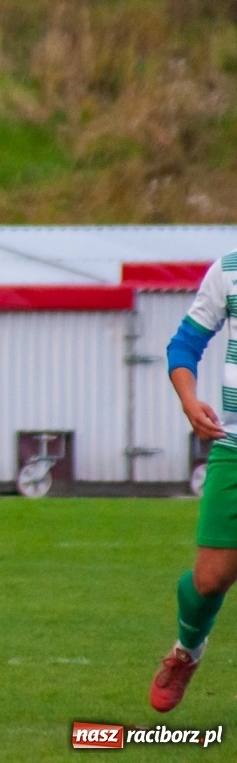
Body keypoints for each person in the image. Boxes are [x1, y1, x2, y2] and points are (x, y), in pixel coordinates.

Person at [150, 253, 237, 711]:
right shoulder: (229, 270)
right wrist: (188, 399)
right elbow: (184, 344)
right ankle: (188, 650)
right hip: (234, 447)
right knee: (209, 580)